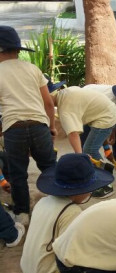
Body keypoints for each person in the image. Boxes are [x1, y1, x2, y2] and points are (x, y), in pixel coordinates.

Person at [20, 153, 114, 273]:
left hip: (29, 271)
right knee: (91, 255)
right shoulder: (71, 211)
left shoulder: (43, 202)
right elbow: (70, 252)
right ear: (82, 190)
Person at [0, 26, 57, 225]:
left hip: (13, 128)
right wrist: (51, 127)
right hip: (39, 125)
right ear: (17, 50)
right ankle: (60, 204)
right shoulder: (33, 69)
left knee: (17, 173)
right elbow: (49, 103)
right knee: (50, 167)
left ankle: (23, 214)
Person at [49, 85, 116, 199]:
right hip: (105, 113)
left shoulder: (65, 109)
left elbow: (73, 134)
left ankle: (106, 186)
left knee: (89, 150)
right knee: (88, 149)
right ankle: (102, 174)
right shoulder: (66, 93)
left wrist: (80, 157)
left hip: (105, 117)